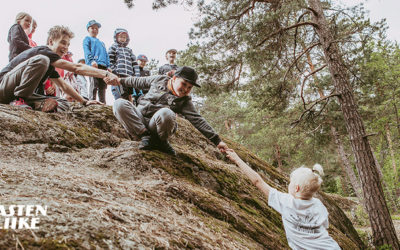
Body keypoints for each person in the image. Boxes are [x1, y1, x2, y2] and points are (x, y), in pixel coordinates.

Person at [226, 150, 341, 250]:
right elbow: (324, 226)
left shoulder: (285, 202)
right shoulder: (318, 205)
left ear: (296, 188)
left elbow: (258, 181)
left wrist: (236, 159)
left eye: (291, 182)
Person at [109, 66, 229, 156]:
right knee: (119, 103)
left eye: (189, 87)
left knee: (167, 113)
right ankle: (145, 137)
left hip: (157, 126)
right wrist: (119, 81)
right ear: (175, 78)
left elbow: (198, 120)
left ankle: (161, 141)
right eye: (184, 84)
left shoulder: (185, 101)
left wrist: (217, 141)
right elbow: (137, 81)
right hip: (139, 120)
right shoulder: (159, 79)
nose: (185, 89)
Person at [0, 25, 118, 112]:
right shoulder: (43, 52)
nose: (65, 48)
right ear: (51, 41)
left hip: (17, 94)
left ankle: (37, 105)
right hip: (4, 86)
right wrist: (105, 74)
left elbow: (64, 86)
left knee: (64, 102)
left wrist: (84, 101)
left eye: (68, 45)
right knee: (42, 60)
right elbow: (76, 67)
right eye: (63, 43)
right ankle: (20, 100)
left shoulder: (50, 64)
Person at [83, 20, 110, 104]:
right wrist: (91, 61)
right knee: (94, 84)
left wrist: (108, 66)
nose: (94, 30)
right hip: (94, 65)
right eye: (92, 28)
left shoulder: (101, 43)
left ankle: (103, 102)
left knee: (103, 86)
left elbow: (106, 54)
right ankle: (92, 100)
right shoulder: (87, 39)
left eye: (96, 28)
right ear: (88, 29)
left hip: (103, 66)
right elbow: (87, 51)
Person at [108, 28, 137, 102]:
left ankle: (130, 107)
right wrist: (114, 72)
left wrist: (136, 74)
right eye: (120, 37)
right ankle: (119, 107)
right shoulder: (113, 47)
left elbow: (134, 63)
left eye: (124, 37)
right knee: (119, 93)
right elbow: (110, 60)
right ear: (116, 37)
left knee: (129, 94)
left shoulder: (129, 50)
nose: (122, 39)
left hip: (129, 76)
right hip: (118, 75)